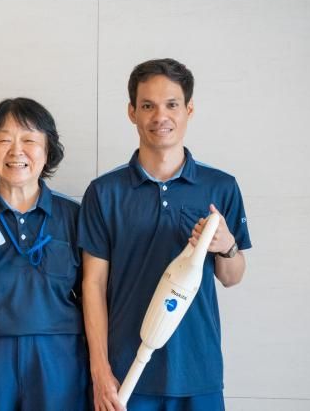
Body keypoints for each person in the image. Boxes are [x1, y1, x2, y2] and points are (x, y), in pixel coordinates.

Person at [79, 58, 251, 411]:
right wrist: (100, 370)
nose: (161, 116)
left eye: (172, 104)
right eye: (148, 106)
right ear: (132, 112)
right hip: (128, 375)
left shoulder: (221, 187)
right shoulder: (104, 192)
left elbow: (232, 278)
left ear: (189, 109)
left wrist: (227, 246)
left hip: (199, 371)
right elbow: (93, 285)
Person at [0, 98, 90, 411]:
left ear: (48, 150)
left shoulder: (75, 216)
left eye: (29, 140)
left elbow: (94, 296)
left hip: (59, 357)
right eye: (3, 140)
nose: (16, 151)